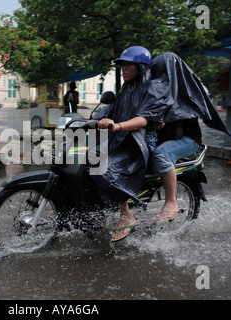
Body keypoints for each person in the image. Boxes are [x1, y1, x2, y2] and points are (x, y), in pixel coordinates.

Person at [142, 52, 231, 220]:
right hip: (162, 138)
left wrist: (163, 117)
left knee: (161, 156)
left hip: (186, 140)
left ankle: (171, 201)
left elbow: (188, 108)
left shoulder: (188, 89)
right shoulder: (151, 89)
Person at [92, 46, 155, 242]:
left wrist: (117, 126)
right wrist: (92, 119)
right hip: (121, 139)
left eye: (129, 65)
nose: (124, 69)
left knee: (104, 167)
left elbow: (144, 119)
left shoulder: (150, 89)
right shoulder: (126, 89)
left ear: (142, 67)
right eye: (123, 65)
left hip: (139, 143)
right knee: (89, 158)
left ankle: (126, 213)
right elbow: (110, 110)